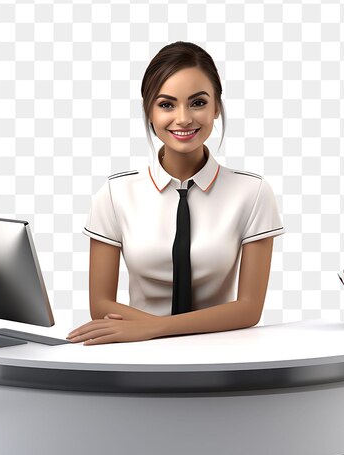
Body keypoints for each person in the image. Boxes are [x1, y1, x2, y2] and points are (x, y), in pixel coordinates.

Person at [67, 41, 285, 345]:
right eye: (166, 104)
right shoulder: (116, 193)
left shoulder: (253, 192)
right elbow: (100, 305)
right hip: (136, 353)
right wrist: (155, 333)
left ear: (217, 107)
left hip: (220, 353)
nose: (183, 118)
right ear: (149, 111)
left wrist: (154, 329)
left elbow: (249, 309)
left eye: (197, 103)